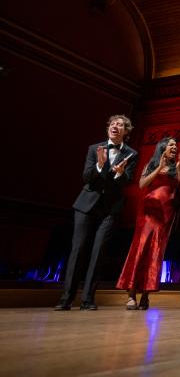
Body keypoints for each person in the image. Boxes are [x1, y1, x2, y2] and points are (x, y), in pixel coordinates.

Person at [54, 115, 138, 311]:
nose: (115, 126)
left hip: (110, 209)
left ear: (126, 131)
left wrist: (118, 173)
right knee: (78, 250)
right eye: (113, 124)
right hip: (86, 205)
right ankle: (66, 299)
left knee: (98, 252)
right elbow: (86, 176)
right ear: (108, 128)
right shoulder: (95, 148)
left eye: (120, 125)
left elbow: (126, 181)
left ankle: (88, 299)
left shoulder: (132, 154)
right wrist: (100, 165)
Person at [116, 136, 180, 310]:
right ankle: (131, 294)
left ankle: (146, 295)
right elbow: (142, 184)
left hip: (165, 216)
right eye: (171, 144)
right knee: (140, 250)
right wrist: (159, 169)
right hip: (147, 214)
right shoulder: (151, 164)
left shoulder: (178, 167)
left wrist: (178, 168)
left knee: (155, 253)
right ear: (162, 147)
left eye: (176, 145)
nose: (175, 147)